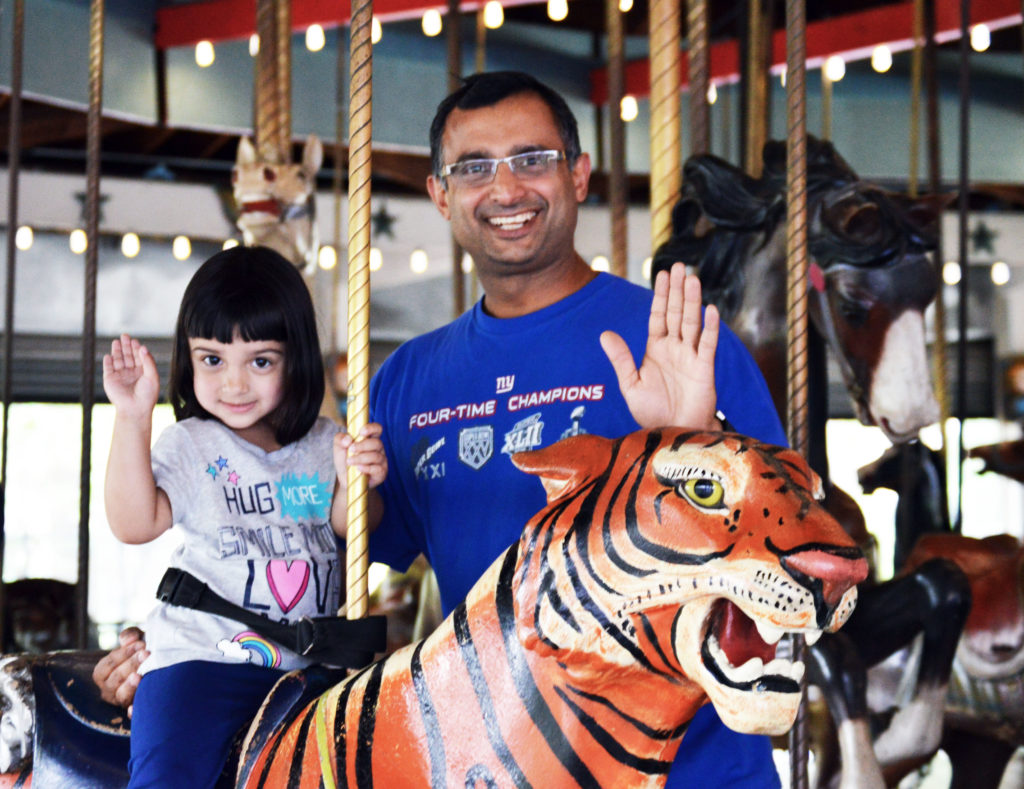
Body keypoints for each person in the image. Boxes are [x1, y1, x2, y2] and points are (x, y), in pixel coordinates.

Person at [97, 71, 786, 786]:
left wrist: (692, 436)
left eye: (532, 159)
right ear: (441, 195)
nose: (506, 188)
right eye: (474, 168)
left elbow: (793, 568)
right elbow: (303, 546)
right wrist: (190, 640)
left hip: (686, 769)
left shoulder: (674, 342)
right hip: (502, 762)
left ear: (579, 175)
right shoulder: (409, 381)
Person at [101, 245, 386, 788]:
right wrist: (133, 417)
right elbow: (133, 523)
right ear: (189, 358)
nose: (233, 384)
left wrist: (359, 481)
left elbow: (356, 527)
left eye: (259, 361)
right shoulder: (192, 443)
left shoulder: (327, 442)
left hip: (311, 668)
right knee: (170, 776)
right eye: (212, 360)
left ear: (294, 358)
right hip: (202, 662)